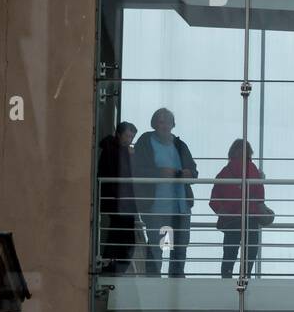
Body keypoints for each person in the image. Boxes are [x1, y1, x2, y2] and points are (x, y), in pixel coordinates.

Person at [133, 108, 198, 277]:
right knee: (160, 245)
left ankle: (176, 283)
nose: (164, 125)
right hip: (158, 208)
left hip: (180, 208)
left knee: (180, 246)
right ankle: (155, 282)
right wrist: (160, 172)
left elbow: (193, 171)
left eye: (167, 121)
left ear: (172, 125)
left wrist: (187, 173)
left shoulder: (179, 144)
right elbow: (138, 169)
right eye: (161, 122)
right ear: (154, 124)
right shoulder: (146, 141)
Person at [209, 139, 272, 279]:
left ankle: (225, 281)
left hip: (231, 220)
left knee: (229, 254)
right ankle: (245, 281)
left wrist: (223, 211)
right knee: (249, 254)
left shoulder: (225, 172)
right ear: (249, 152)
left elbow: (213, 200)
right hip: (250, 219)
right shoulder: (252, 169)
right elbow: (259, 198)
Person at [96, 122, 138, 274]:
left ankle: (112, 267)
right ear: (119, 135)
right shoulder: (113, 150)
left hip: (122, 201)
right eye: (128, 135)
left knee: (122, 237)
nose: (130, 139)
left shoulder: (119, 150)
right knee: (123, 237)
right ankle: (111, 268)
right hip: (117, 201)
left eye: (132, 137)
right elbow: (113, 173)